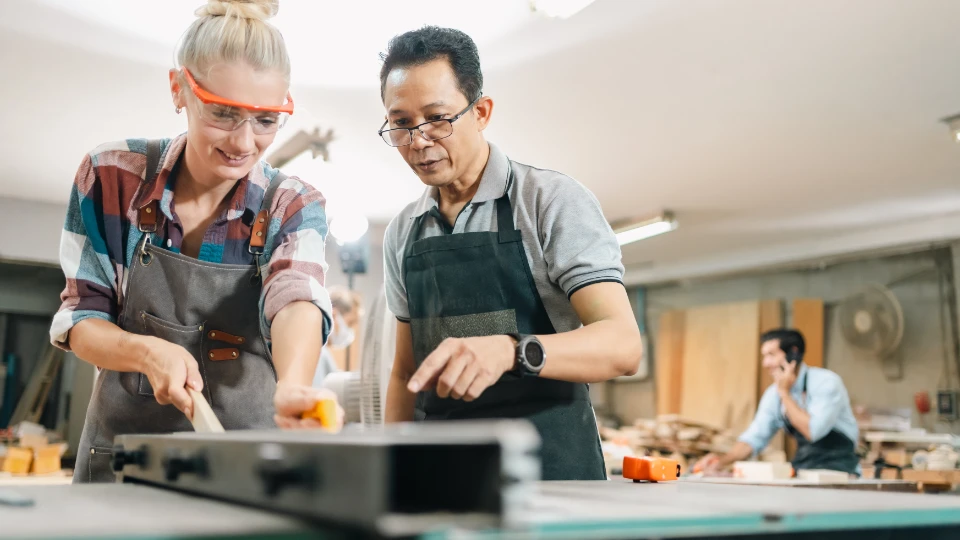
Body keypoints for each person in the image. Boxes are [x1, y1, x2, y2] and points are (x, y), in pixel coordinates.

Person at [50, 0, 341, 483]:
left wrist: (294, 386)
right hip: (122, 463)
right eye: (224, 114)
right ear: (179, 89)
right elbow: (81, 320)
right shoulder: (111, 175)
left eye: (267, 120)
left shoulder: (292, 203)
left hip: (244, 469)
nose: (244, 142)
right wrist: (146, 352)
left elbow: (296, 296)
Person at [378, 26, 643, 481]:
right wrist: (390, 474)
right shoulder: (404, 231)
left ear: (480, 112)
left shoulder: (548, 201)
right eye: (401, 123)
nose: (419, 141)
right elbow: (406, 374)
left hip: (551, 477)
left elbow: (622, 345)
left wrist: (511, 351)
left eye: (437, 118)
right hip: (446, 481)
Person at [694, 329, 860, 476]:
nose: (765, 364)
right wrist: (720, 462)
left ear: (793, 353)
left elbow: (813, 431)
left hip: (840, 469)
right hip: (805, 467)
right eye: (764, 356)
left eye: (771, 355)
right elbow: (754, 438)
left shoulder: (826, 383)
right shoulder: (773, 395)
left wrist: (785, 394)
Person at [311, 286, 362, 387]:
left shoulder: (322, 352)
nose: (351, 331)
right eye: (350, 323)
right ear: (333, 315)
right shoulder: (317, 352)